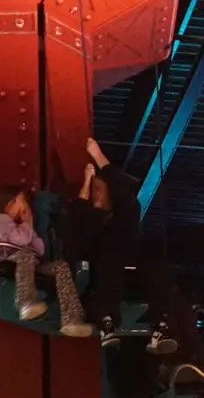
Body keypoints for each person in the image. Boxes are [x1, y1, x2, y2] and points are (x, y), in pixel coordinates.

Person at [64, 136, 174, 350]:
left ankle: (161, 326)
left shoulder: (122, 214)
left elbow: (126, 197)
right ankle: (106, 322)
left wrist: (99, 158)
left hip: (126, 267)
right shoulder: (86, 217)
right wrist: (86, 183)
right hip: (97, 275)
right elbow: (77, 221)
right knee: (109, 262)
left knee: (159, 266)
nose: (97, 193)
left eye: (101, 189)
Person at [0, 186, 91, 337]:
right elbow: (19, 239)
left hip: (29, 264)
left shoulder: (23, 226)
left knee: (60, 267)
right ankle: (25, 301)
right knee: (25, 254)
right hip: (5, 261)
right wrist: (27, 223)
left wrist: (29, 225)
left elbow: (40, 249)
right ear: (8, 203)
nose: (24, 208)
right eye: (21, 203)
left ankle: (71, 319)